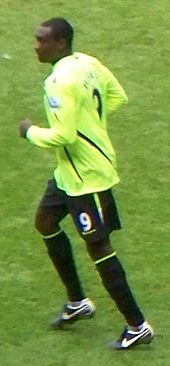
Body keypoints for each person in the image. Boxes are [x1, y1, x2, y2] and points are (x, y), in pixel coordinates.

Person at [20, 17, 154, 350]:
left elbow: (62, 135)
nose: (36, 46)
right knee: (46, 222)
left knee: (98, 247)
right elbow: (118, 97)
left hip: (86, 178)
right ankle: (78, 302)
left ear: (60, 43)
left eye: (42, 40)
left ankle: (137, 325)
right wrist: (91, 123)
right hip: (68, 174)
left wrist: (29, 131)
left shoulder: (57, 82)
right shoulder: (88, 63)